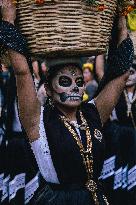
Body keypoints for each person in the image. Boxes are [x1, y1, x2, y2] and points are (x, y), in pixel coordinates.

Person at [0, 1, 134, 205]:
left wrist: (122, 20)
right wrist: (8, 20)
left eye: (79, 82)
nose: (75, 87)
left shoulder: (93, 112)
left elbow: (121, 75)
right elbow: (22, 71)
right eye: (65, 82)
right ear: (48, 89)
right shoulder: (38, 121)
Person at [100, 59, 136, 205]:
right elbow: (101, 73)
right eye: (126, 74)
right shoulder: (115, 94)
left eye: (132, 72)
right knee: (118, 175)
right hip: (117, 140)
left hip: (135, 142)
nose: (129, 77)